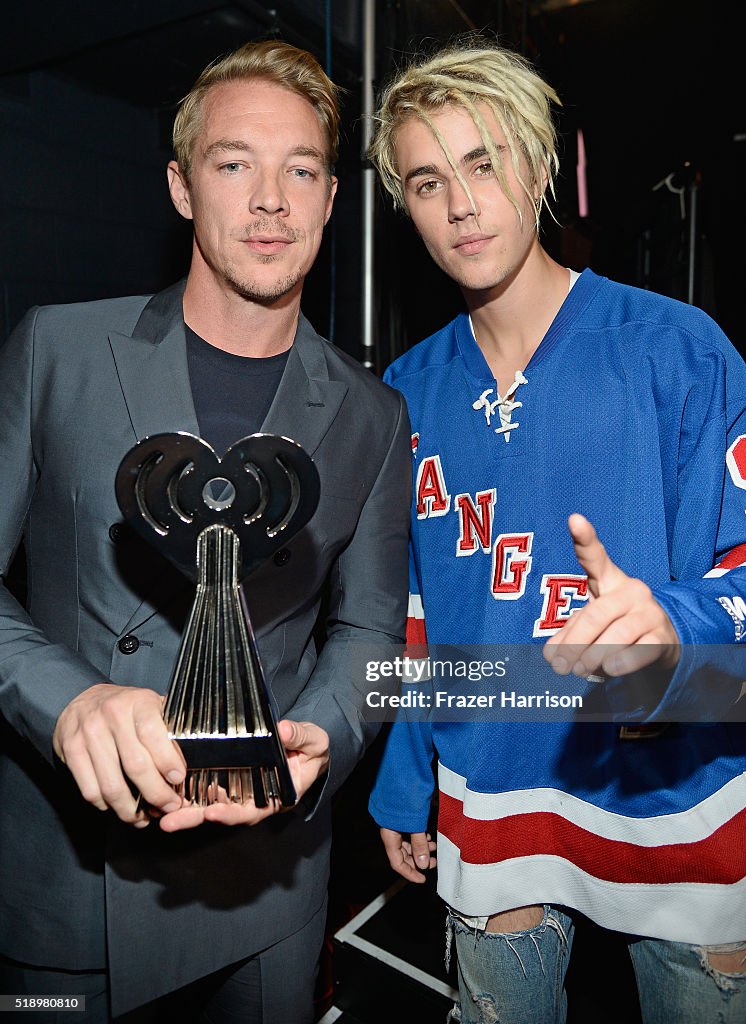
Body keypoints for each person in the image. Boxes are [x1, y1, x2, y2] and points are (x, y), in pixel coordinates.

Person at [0, 39, 410, 1023]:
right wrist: (63, 701)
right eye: (235, 164)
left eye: (300, 170)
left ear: (327, 199)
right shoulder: (56, 349)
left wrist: (323, 731)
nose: (270, 199)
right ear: (183, 187)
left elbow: (368, 635)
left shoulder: (372, 414)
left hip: (266, 887)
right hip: (67, 888)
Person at [367, 39, 746, 1024]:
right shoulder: (403, 395)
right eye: (427, 179)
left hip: (680, 791)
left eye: (485, 162)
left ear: (540, 170)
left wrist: (670, 625)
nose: (461, 203)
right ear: (403, 205)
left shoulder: (676, 348)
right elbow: (420, 614)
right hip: (492, 794)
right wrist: (405, 778)